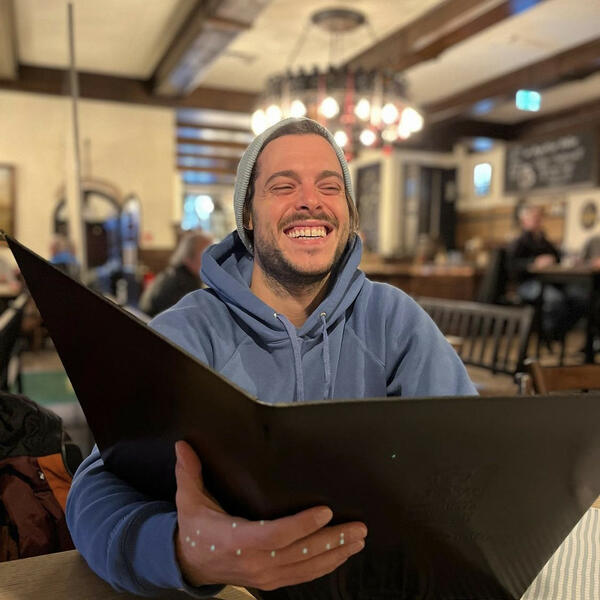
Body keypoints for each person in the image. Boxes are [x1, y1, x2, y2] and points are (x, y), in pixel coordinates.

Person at [66, 117, 476, 598]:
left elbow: (473, 459)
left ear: (348, 214)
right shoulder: (190, 331)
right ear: (247, 215)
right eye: (284, 186)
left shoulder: (393, 320)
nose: (311, 200)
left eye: (330, 186)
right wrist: (183, 553)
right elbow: (95, 491)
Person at [506, 204, 585, 341]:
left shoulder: (543, 241)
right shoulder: (519, 242)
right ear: (524, 220)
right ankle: (547, 336)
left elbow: (558, 256)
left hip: (550, 282)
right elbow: (511, 265)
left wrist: (567, 259)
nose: (538, 220)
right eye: (534, 217)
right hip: (527, 284)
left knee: (579, 298)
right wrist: (534, 262)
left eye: (539, 217)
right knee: (555, 300)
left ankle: (559, 332)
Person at [139, 230, 213, 317]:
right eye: (206, 254)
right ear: (188, 257)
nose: (212, 260)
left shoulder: (176, 273)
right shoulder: (183, 283)